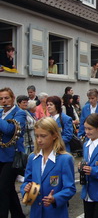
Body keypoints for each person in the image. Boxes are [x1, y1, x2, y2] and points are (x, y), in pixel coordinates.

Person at [20, 117, 76, 218]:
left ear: (54, 135)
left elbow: (70, 188)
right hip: (36, 213)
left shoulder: (64, 159)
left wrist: (55, 198)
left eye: (43, 136)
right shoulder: (33, 157)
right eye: (37, 136)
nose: (39, 140)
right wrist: (26, 189)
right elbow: (26, 181)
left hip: (55, 213)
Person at [0, 87, 27, 218]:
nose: (4, 101)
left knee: (2, 189)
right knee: (9, 189)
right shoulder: (1, 113)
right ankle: (18, 215)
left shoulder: (19, 113)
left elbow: (9, 129)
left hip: (12, 157)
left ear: (13, 98)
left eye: (7, 98)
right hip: (0, 155)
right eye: (1, 99)